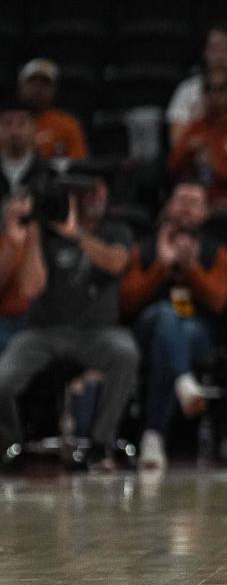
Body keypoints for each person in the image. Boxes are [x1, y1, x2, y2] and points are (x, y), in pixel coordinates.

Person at [0, 173, 138, 471]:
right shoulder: (42, 233)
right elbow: (29, 288)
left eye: (95, 192)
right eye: (81, 194)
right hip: (43, 333)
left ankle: (101, 445)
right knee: (3, 379)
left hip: (97, 332)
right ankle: (11, 445)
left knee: (125, 352)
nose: (90, 199)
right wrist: (35, 233)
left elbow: (115, 262)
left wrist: (75, 234)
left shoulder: (115, 231)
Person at [121, 181, 227, 469]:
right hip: (144, 329)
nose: (186, 208)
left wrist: (192, 269)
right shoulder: (143, 248)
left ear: (206, 212)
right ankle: (183, 381)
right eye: (181, 200)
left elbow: (219, 302)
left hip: (197, 333)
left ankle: (153, 435)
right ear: (168, 206)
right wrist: (161, 267)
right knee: (165, 315)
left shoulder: (214, 251)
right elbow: (128, 302)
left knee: (170, 340)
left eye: (194, 202)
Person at [166, 73, 227, 211]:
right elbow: (172, 167)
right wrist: (188, 150)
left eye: (220, 91)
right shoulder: (196, 127)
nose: (215, 96)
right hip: (197, 199)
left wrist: (217, 166)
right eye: (210, 91)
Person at [167, 27, 227, 147]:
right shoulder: (187, 88)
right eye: (215, 49)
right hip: (195, 159)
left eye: (226, 48)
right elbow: (177, 138)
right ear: (205, 52)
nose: (220, 55)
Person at [18, 58, 87, 162]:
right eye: (32, 81)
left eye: (45, 83)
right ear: (21, 87)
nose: (38, 88)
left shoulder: (67, 124)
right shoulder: (5, 123)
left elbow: (79, 164)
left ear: (55, 90)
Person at [0, 195, 45, 352]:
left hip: (39, 321)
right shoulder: (4, 242)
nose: (24, 221)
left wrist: (34, 241)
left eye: (28, 216)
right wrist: (13, 246)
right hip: (5, 320)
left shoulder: (47, 244)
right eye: (18, 216)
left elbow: (33, 289)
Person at [0, 97, 53, 203]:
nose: (14, 131)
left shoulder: (50, 173)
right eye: (7, 123)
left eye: (22, 123)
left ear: (34, 127)